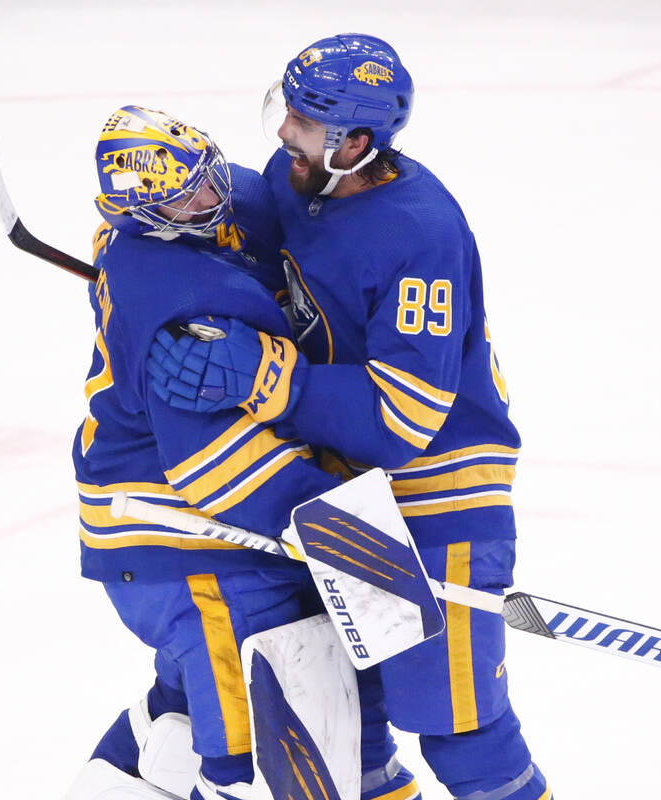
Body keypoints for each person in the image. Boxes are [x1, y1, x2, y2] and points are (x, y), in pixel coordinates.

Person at [147, 34, 551, 800]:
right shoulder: (298, 180)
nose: (280, 134)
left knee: (462, 733)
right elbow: (233, 235)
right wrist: (155, 229)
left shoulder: (419, 234)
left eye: (301, 121)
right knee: (349, 732)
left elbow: (404, 418)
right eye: (286, 109)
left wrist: (264, 376)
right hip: (344, 498)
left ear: (356, 142)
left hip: (440, 500)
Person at [65, 105, 418, 800]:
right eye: (183, 196)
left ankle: (116, 776)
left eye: (205, 174)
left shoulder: (206, 209)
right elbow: (219, 470)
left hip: (212, 542)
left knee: (217, 701)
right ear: (144, 213)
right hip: (183, 542)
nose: (209, 197)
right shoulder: (180, 318)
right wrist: (351, 534)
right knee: (252, 763)